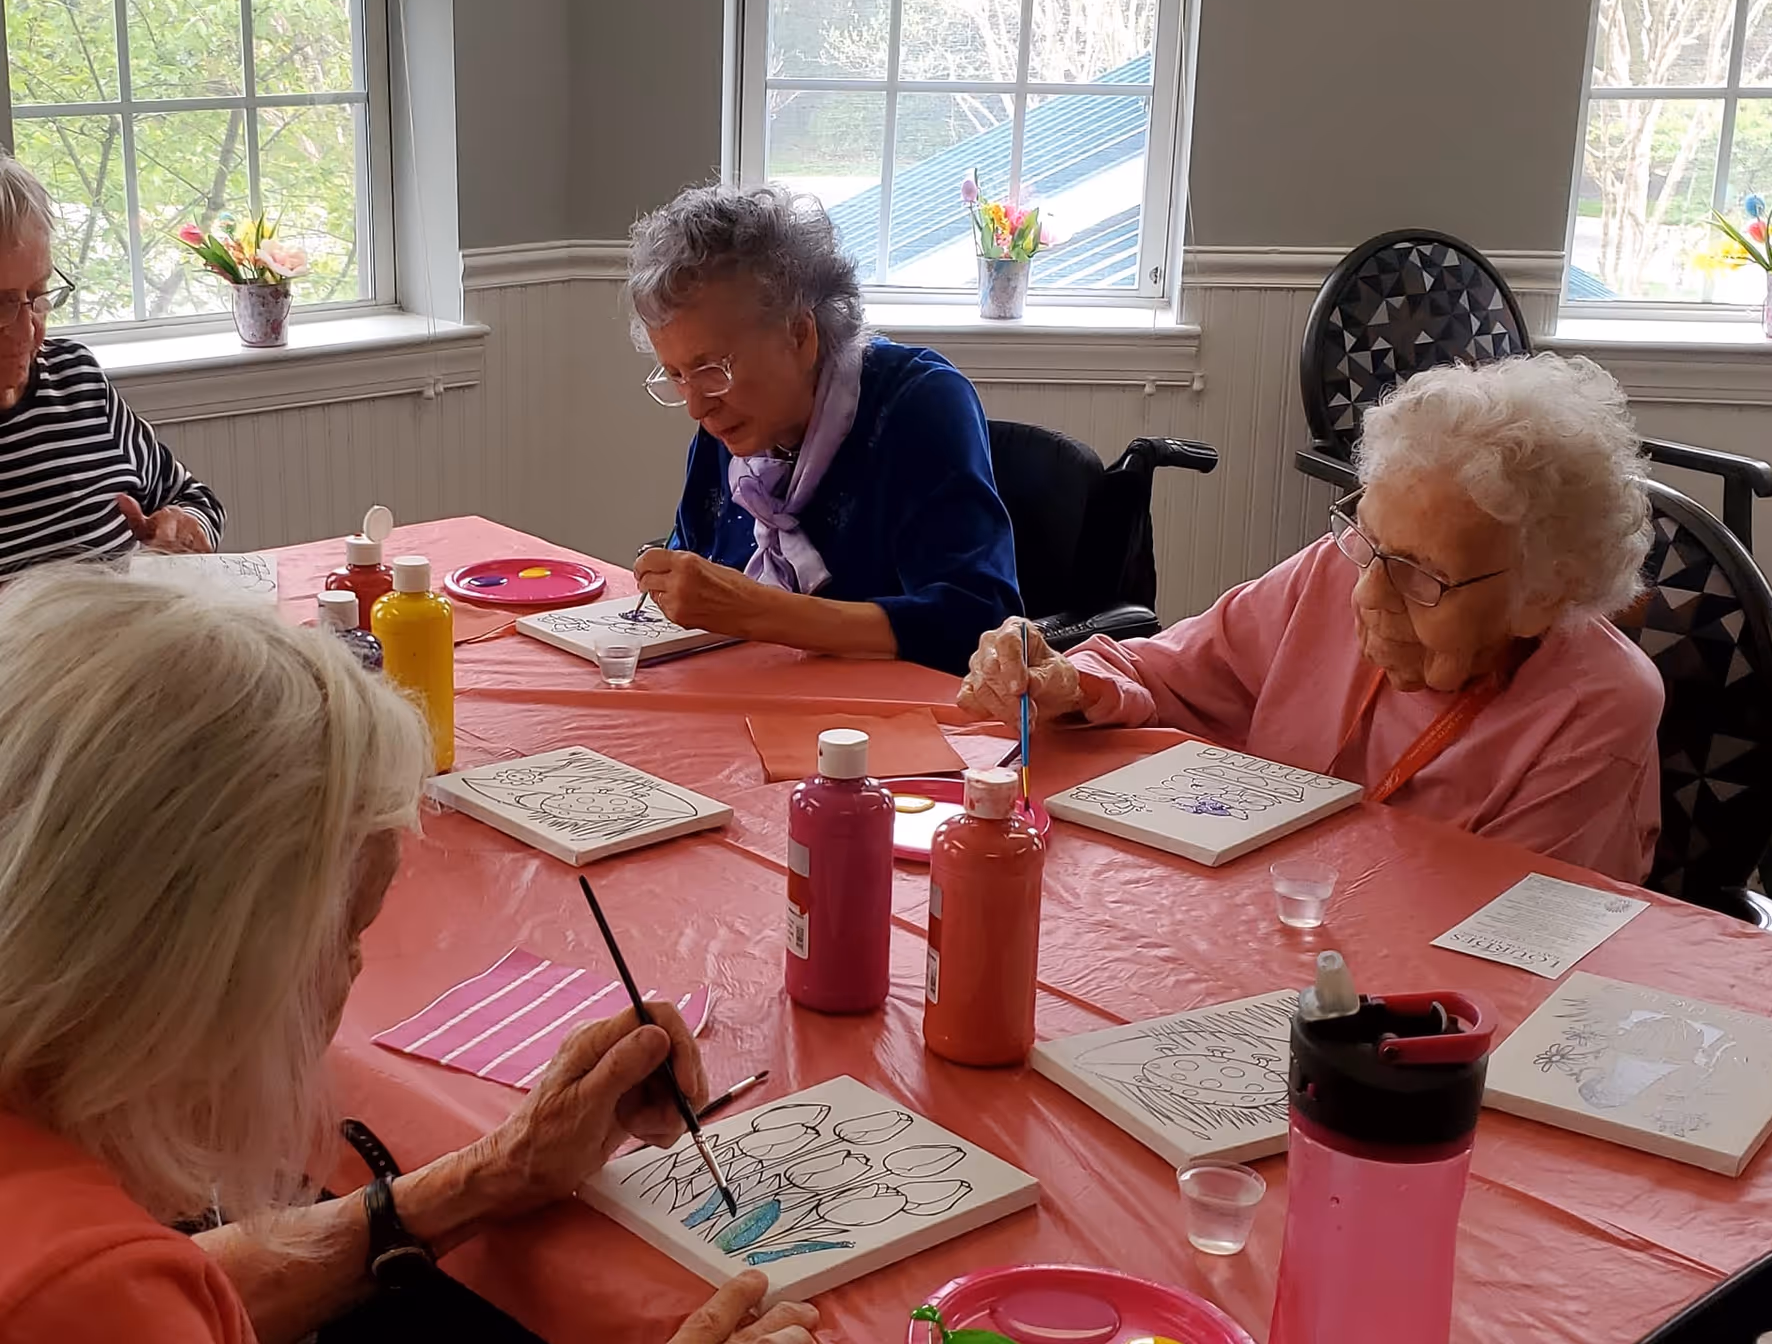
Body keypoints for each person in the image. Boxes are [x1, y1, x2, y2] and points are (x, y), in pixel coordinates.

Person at [0, 568, 817, 1344]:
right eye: (349, 930)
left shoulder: (71, 1233)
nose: (355, 977)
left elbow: (185, 1293)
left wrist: (494, 1174)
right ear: (202, 962)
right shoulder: (71, 1291)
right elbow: (111, 1302)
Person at [959, 354, 1666, 883]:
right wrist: (1063, 677)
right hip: (1257, 921)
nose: (1368, 595)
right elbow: (1162, 670)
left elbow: (1501, 934)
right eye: (1369, 538)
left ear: (1543, 594)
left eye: (1423, 575)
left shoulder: (1600, 703)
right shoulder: (1340, 568)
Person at [629, 184, 1021, 676]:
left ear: (800, 334)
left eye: (713, 368)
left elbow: (978, 621)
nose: (696, 407)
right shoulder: (728, 425)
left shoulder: (920, 404)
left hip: (885, 729)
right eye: (676, 375)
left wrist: (759, 611)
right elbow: (700, 564)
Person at [0, 154, 225, 577]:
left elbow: (195, 498)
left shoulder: (76, 379)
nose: (29, 331)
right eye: (1, 303)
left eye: (38, 293)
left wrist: (186, 528)